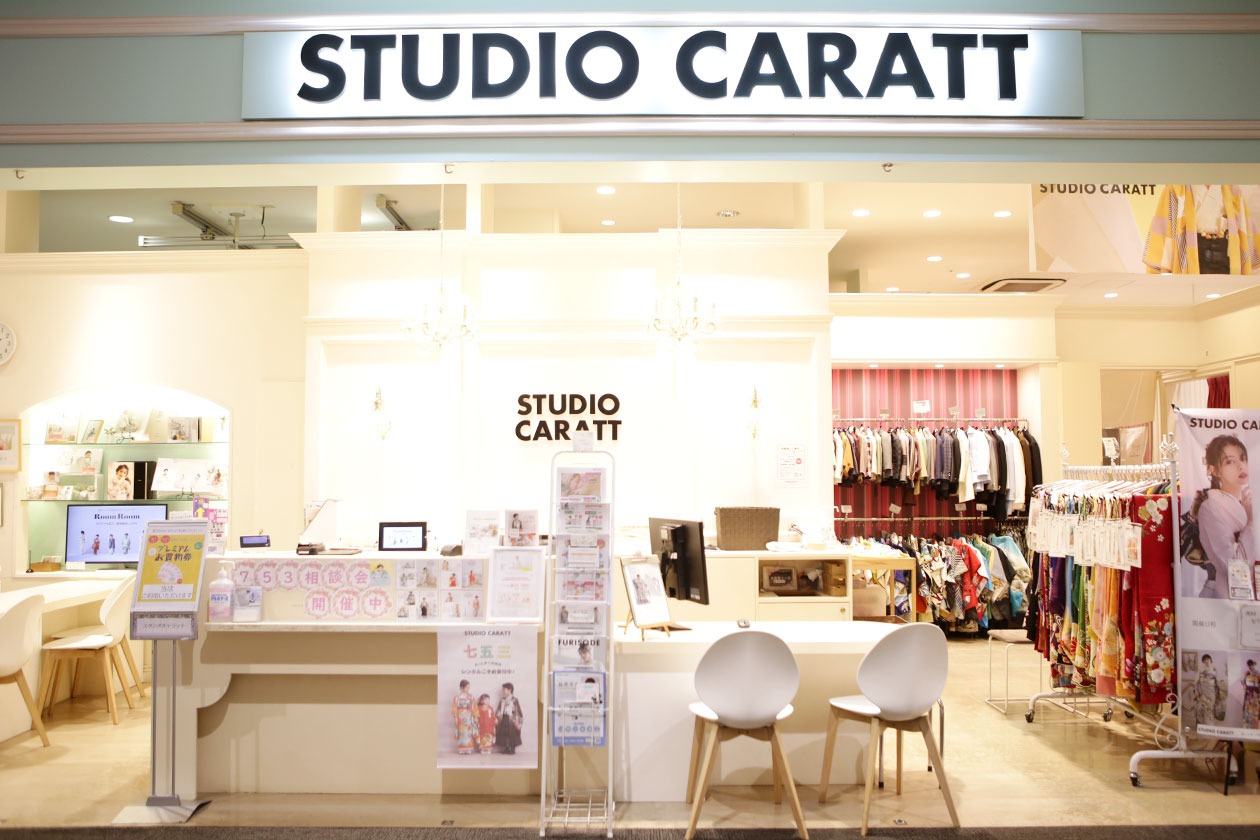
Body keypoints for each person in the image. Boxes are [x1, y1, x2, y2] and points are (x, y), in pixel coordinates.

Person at [1191, 435, 1256, 599]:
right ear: (1215, 470)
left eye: (1243, 459)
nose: (1241, 466)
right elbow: (1236, 565)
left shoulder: (1250, 501)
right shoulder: (1211, 508)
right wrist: (1251, 522)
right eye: (1230, 462)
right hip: (1232, 597)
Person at [1196, 654, 1226, 726]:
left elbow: (1217, 681)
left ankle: (1210, 723)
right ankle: (1202, 723)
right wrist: (1196, 690)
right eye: (1204, 660)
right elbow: (1196, 681)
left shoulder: (1214, 669)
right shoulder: (1201, 669)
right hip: (1202, 690)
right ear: (1203, 661)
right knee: (1202, 706)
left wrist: (1220, 690)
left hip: (1211, 690)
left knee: (1211, 706)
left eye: (1208, 659)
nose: (1206, 661)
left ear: (1210, 660)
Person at [451, 679, 479, 756]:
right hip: (460, 717)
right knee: (462, 732)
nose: (468, 689)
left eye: (469, 688)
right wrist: (455, 717)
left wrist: (476, 717)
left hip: (469, 717)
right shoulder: (457, 697)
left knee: (469, 732)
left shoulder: (471, 697)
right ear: (462, 687)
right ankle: (462, 749)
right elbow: (454, 708)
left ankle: (468, 748)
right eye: (467, 688)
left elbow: (475, 707)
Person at [495, 682, 524, 755]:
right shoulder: (502, 700)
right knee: (505, 733)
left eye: (504, 689)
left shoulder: (514, 700)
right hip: (504, 717)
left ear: (510, 690)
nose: (503, 691)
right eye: (503, 690)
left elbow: (517, 711)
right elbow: (499, 709)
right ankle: (506, 747)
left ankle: (512, 748)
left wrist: (517, 720)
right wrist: (496, 718)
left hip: (512, 718)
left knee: (512, 733)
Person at [1243, 658, 1260, 730]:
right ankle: (1247, 726)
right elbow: (1244, 682)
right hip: (1248, 693)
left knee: (1254, 709)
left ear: (1254, 665)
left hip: (1255, 693)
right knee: (1247, 708)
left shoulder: (1258, 673)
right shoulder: (1247, 673)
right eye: (1249, 665)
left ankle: (1254, 726)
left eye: (1251, 665)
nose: (1250, 666)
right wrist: (1244, 685)